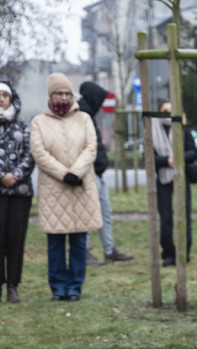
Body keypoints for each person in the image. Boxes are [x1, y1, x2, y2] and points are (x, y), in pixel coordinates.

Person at [30, 73, 102, 301]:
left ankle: (74, 288)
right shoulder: (39, 122)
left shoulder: (84, 119)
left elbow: (91, 147)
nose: (63, 97)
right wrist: (64, 174)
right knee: (56, 244)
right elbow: (39, 152)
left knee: (80, 242)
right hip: (54, 189)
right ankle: (58, 287)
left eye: (67, 93)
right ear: (50, 95)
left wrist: (76, 172)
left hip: (80, 187)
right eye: (58, 93)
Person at [77, 83, 133, 265]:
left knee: (105, 213)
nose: (102, 104)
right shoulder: (81, 115)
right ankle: (83, 252)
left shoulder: (89, 114)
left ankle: (109, 250)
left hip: (97, 174)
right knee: (89, 214)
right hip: (89, 173)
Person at [152, 99, 197, 267]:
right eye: (164, 110)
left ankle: (183, 253)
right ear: (158, 112)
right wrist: (166, 160)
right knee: (165, 218)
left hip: (181, 177)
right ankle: (168, 253)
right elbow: (149, 158)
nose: (168, 114)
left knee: (183, 216)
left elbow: (194, 152)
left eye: (171, 110)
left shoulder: (182, 129)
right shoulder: (152, 131)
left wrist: (178, 158)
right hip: (163, 179)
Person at [0, 81, 34, 303]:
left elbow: (31, 154)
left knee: (16, 239)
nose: (1, 99)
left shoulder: (23, 126)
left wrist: (16, 175)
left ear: (11, 98)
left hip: (20, 192)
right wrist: (1, 175)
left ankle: (13, 285)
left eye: (4, 95)